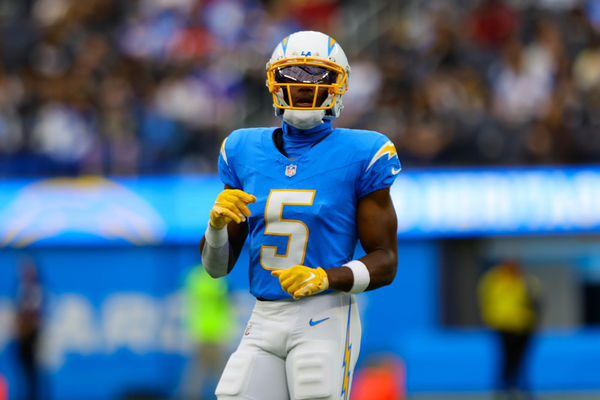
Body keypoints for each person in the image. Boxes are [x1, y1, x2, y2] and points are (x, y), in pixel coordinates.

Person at [200, 30, 400, 400]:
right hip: (262, 317)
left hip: (323, 314)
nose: (304, 85)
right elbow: (216, 268)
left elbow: (385, 262)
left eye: (317, 75)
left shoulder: (364, 151)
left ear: (337, 84)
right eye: (293, 74)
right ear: (273, 82)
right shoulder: (242, 149)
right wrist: (215, 229)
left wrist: (325, 277)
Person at [478, 260, 542, 400]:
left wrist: (534, 322)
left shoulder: (526, 281)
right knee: (505, 359)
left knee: (521, 360)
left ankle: (520, 388)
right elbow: (487, 302)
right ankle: (503, 388)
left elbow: (537, 303)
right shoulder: (494, 281)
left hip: (524, 326)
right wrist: (492, 321)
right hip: (503, 327)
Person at [177, 264, 235, 400]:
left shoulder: (193, 276)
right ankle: (229, 396)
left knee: (198, 372)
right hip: (216, 331)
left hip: (199, 331)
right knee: (221, 372)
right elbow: (229, 299)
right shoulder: (220, 279)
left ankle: (191, 395)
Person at [15, 257, 44, 400]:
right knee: (25, 373)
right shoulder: (21, 288)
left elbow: (34, 315)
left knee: (34, 373)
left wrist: (27, 328)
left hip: (32, 336)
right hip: (22, 338)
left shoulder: (35, 289)